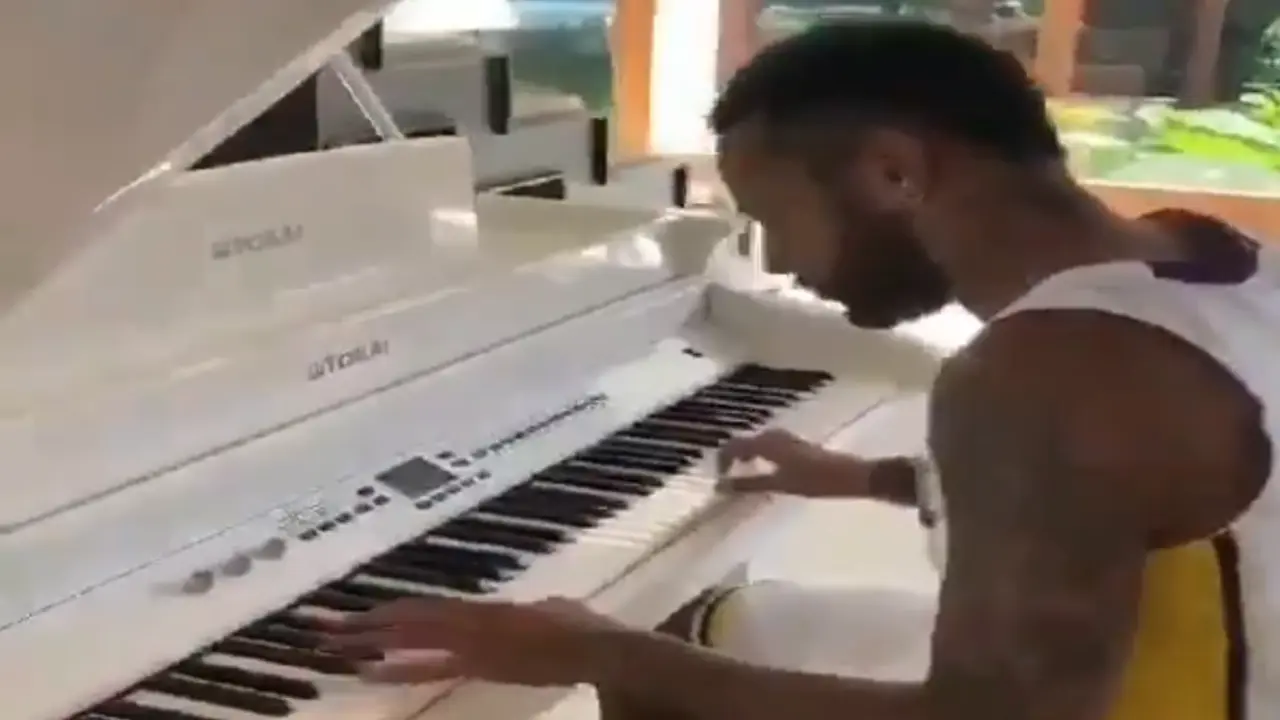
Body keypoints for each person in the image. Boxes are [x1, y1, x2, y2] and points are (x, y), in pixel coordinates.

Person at [324, 21, 1278, 720]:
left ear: (893, 172)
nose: (779, 263)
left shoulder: (1043, 372)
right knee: (698, 631)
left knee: (658, 667)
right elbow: (1122, 494)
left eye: (775, 218)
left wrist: (597, 650)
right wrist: (867, 477)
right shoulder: (1212, 259)